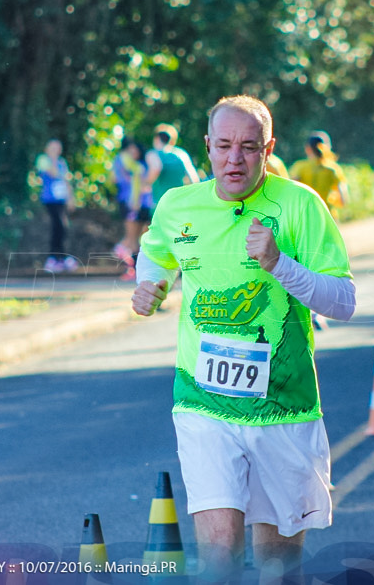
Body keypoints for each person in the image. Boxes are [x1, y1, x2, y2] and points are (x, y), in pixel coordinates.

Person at [131, 96, 355, 582]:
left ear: (268, 148)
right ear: (207, 147)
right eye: (225, 146)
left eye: (249, 148)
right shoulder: (178, 205)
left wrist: (280, 265)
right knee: (220, 558)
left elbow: (343, 301)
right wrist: (152, 285)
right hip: (202, 404)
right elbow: (155, 255)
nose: (235, 159)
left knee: (278, 566)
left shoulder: (299, 205)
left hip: (283, 409)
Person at [111, 136, 152, 281]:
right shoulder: (123, 162)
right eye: (130, 149)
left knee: (139, 238)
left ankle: (134, 268)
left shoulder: (139, 164)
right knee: (131, 238)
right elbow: (114, 178)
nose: (133, 152)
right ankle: (122, 254)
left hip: (143, 203)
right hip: (130, 203)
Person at [35, 139, 77, 272]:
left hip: (61, 199)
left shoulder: (62, 162)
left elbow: (66, 180)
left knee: (62, 227)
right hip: (50, 199)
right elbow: (52, 173)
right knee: (58, 225)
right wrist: (52, 158)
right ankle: (54, 257)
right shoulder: (43, 160)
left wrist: (71, 198)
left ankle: (60, 257)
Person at [289, 131, 348, 220]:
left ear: (307, 148)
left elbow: (292, 194)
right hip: (327, 216)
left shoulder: (299, 167)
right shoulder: (333, 169)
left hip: (305, 217)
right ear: (327, 147)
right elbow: (343, 200)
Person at [145, 123, 200, 205]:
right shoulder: (181, 154)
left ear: (156, 138)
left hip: (161, 203)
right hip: (180, 203)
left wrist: (145, 183)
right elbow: (194, 180)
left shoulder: (153, 154)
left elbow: (156, 168)